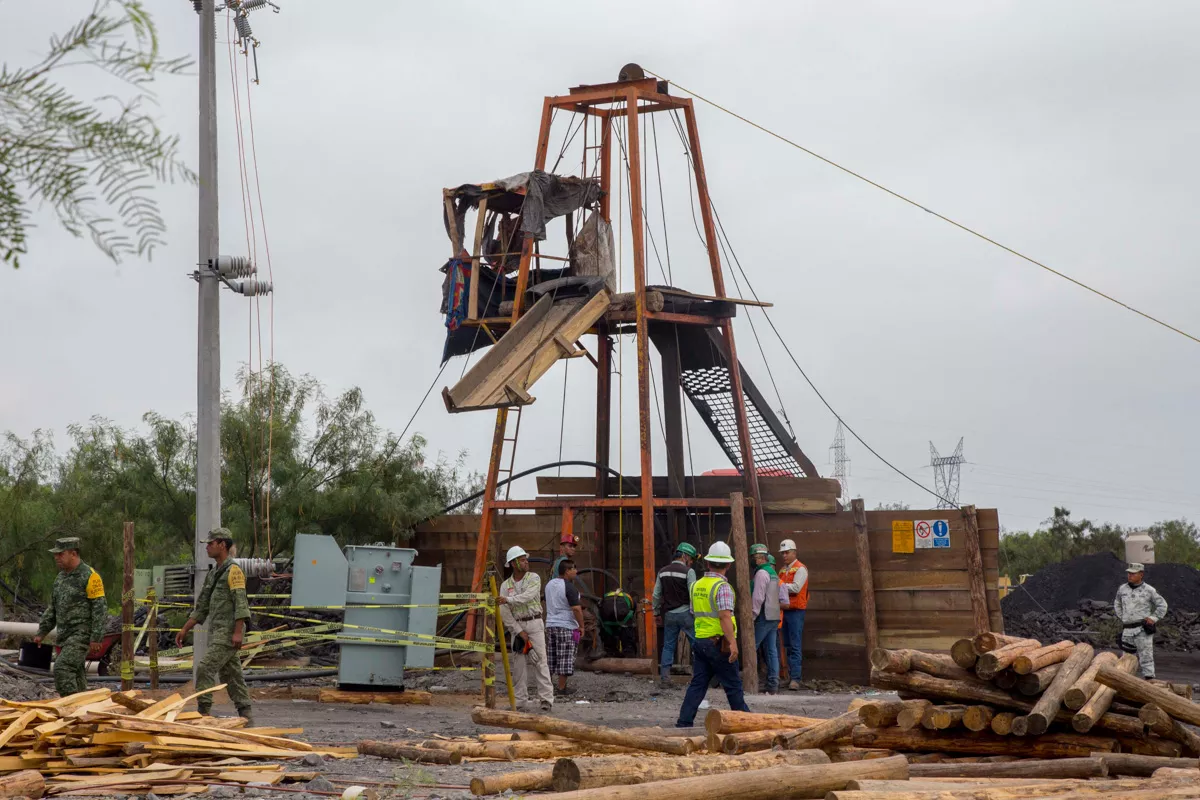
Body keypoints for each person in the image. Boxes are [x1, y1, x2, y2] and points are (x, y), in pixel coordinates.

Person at [176, 528, 253, 724]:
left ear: (222, 545)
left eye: (211, 543)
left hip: (228, 633)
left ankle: (203, 714)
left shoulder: (234, 571)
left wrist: (237, 632)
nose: (207, 547)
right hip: (218, 632)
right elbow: (202, 606)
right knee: (232, 675)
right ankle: (247, 717)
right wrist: (185, 628)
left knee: (204, 668)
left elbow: (241, 604)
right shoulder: (214, 573)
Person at [675, 541, 751, 727]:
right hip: (718, 643)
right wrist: (733, 643)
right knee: (733, 686)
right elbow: (725, 616)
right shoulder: (722, 587)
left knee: (698, 684)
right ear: (728, 565)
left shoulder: (696, 586)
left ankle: (684, 722)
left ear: (708, 563)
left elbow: (695, 612)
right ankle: (746, 722)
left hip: (700, 641)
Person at [34, 537, 107, 697]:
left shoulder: (90, 576)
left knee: (62, 668)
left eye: (60, 554)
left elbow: (99, 609)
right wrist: (41, 632)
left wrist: (96, 637)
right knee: (77, 674)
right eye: (56, 554)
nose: (56, 557)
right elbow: (53, 608)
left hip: (81, 636)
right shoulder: (60, 578)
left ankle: (70, 707)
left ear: (73, 554)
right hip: (65, 636)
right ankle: (82, 709)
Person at [498, 546, 554, 711]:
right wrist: (517, 630)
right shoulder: (505, 585)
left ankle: (546, 700)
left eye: (525, 559)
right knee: (519, 665)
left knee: (540, 661)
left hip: (534, 623)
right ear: (514, 564)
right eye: (522, 560)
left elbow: (528, 596)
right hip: (518, 626)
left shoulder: (533, 578)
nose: (526, 562)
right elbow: (504, 612)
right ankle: (520, 701)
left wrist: (508, 600)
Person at [652, 542, 698, 687]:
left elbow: (656, 595)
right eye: (690, 559)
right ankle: (698, 677)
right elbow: (693, 593)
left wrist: (656, 612)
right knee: (696, 645)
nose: (690, 563)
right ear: (684, 556)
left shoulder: (662, 571)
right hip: (686, 614)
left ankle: (665, 678)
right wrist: (696, 613)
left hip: (670, 615)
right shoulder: (689, 572)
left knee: (668, 646)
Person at [1114, 563, 1168, 679]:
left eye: (1133, 573)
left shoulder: (1149, 590)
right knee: (1126, 660)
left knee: (1146, 659)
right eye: (1129, 573)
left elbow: (1162, 605)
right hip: (1127, 630)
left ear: (1141, 574)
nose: (1130, 575)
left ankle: (1150, 685)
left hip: (1142, 630)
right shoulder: (1122, 589)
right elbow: (1117, 603)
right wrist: (1122, 616)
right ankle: (1124, 684)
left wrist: (1153, 618)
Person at [545, 559, 584, 696]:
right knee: (565, 658)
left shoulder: (549, 585)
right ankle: (561, 689)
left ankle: (547, 689)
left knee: (551, 657)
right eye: (573, 569)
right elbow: (576, 609)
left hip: (550, 625)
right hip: (566, 626)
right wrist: (581, 626)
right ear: (567, 571)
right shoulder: (569, 587)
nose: (576, 571)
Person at [778, 538, 809, 690]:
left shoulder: (801, 569)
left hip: (796, 611)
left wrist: (779, 586)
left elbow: (796, 588)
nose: (784, 555)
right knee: (787, 645)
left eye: (787, 552)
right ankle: (790, 677)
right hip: (785, 611)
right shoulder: (783, 570)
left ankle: (795, 679)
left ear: (794, 552)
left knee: (795, 646)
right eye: (782, 553)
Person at [749, 543, 780, 694]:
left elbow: (758, 597)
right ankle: (773, 685)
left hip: (763, 616)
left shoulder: (761, 574)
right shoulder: (773, 573)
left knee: (751, 647)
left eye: (752, 557)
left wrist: (752, 615)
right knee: (771, 650)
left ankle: (749, 682)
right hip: (774, 615)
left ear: (758, 558)